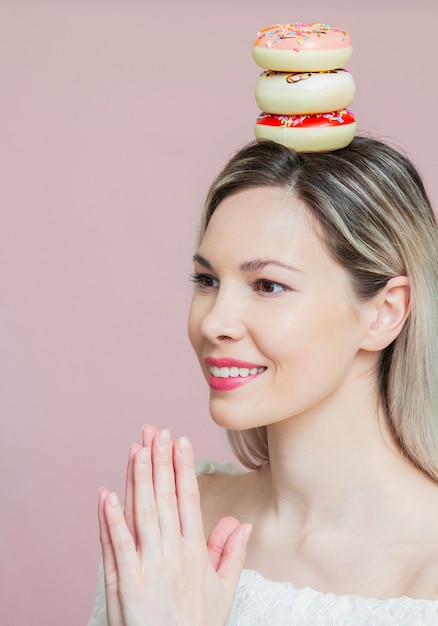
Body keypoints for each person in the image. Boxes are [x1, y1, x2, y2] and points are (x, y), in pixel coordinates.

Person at [88, 136, 438, 625]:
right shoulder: (177, 523)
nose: (214, 323)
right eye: (207, 281)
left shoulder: (427, 575)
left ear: (384, 312)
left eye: (268, 285)